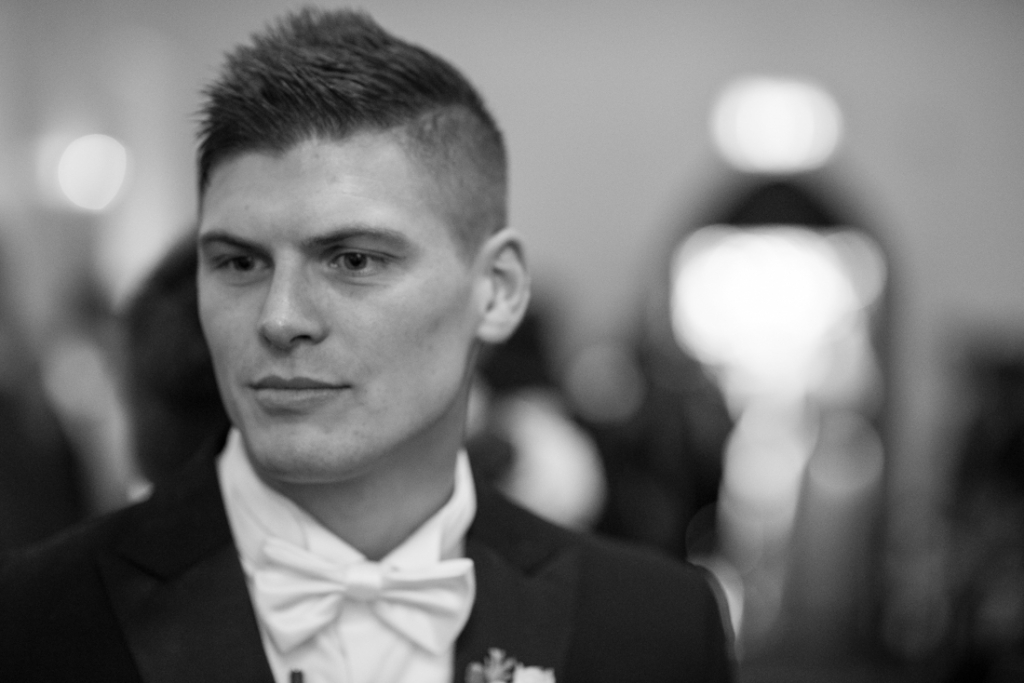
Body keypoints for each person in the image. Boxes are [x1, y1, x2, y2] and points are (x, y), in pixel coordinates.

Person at [0, 7, 732, 682]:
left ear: (498, 290)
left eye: (353, 260)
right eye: (238, 262)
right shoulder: (35, 620)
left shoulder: (653, 625)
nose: (279, 318)